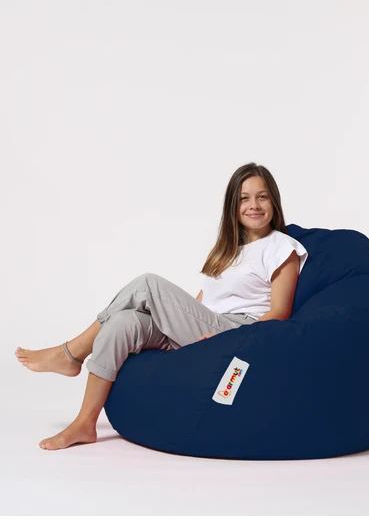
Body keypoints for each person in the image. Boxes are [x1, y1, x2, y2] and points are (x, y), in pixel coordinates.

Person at [14, 162, 308, 451]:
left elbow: (279, 313)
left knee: (147, 284)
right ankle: (84, 423)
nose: (254, 205)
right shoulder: (227, 250)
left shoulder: (281, 247)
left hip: (238, 332)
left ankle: (70, 353)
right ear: (233, 205)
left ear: (274, 201)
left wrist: (226, 337)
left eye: (262, 196)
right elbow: (202, 302)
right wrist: (175, 320)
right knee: (122, 324)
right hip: (208, 326)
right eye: (244, 198)